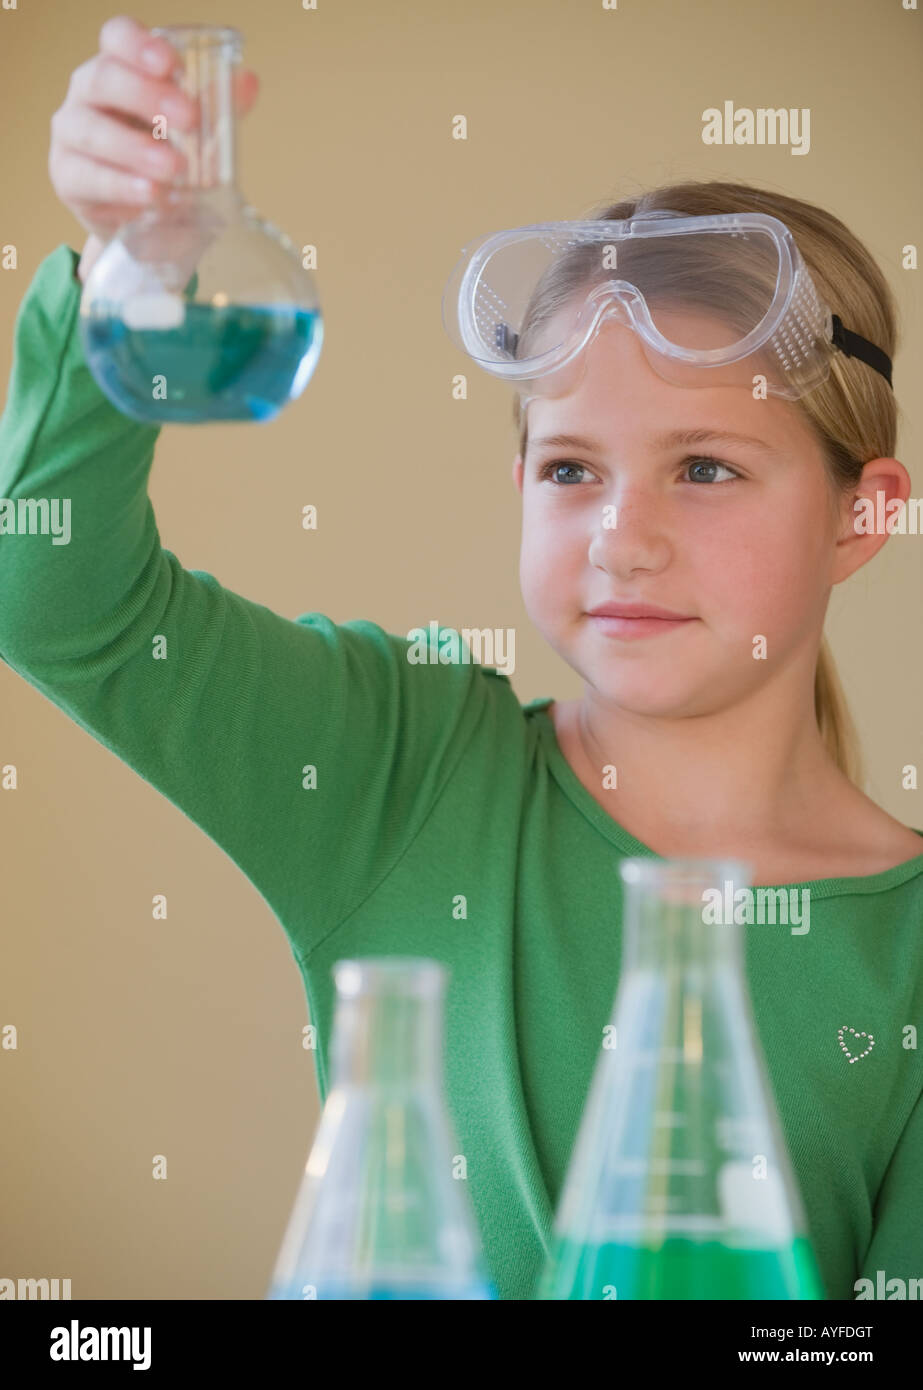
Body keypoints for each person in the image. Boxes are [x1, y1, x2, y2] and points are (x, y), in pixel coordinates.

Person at [1, 14, 921, 1301]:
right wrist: (128, 257)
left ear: (862, 513)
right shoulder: (398, 765)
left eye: (704, 468)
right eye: (569, 469)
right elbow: (56, 596)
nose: (622, 540)